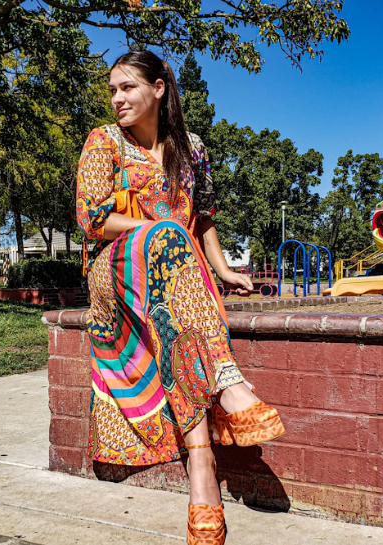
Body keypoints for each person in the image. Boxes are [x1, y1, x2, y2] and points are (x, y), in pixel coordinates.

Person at [76, 50, 285, 545]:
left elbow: (205, 219)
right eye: (112, 90)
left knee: (179, 322)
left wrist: (224, 269)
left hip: (177, 275)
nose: (117, 98)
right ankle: (228, 385)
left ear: (159, 89)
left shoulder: (192, 149)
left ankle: (202, 467)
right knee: (168, 239)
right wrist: (160, 231)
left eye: (127, 87)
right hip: (115, 270)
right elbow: (92, 219)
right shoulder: (103, 142)